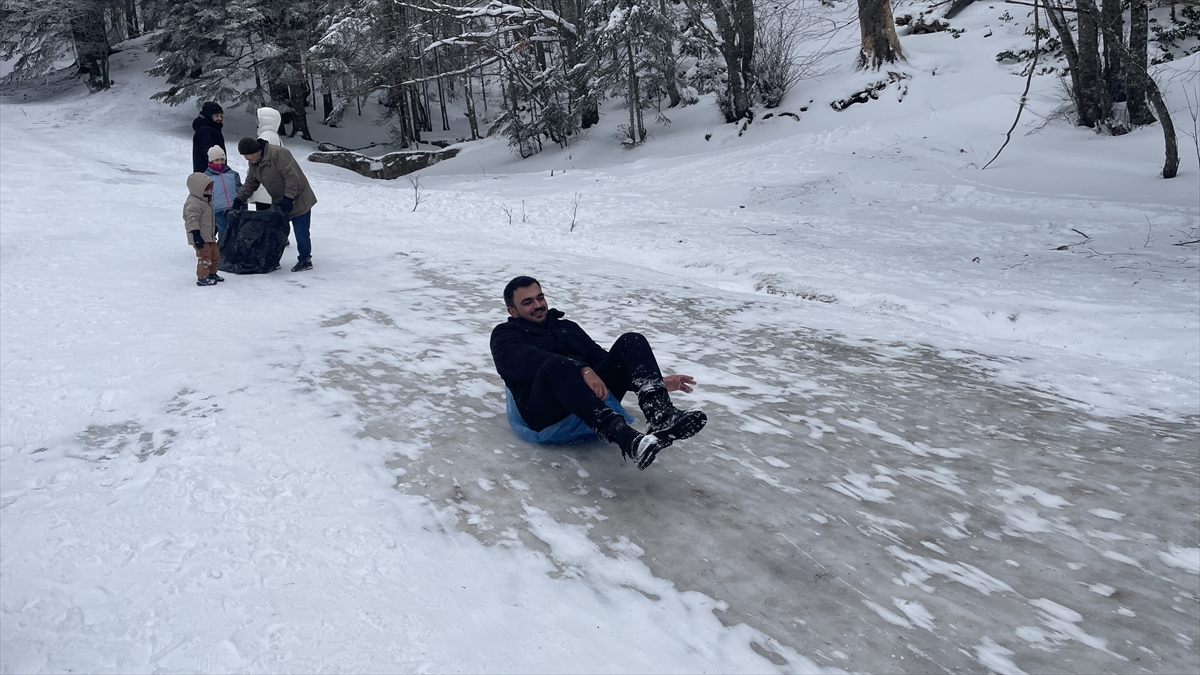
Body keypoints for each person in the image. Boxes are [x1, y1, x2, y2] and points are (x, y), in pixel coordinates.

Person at [490, 276, 707, 470]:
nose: (538, 305)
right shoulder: (505, 335)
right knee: (557, 364)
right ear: (512, 311)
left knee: (631, 341)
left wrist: (653, 382)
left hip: (590, 398)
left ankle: (660, 414)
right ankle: (629, 440)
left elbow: (604, 361)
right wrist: (582, 369)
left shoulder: (566, 327)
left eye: (540, 297)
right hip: (546, 411)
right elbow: (528, 361)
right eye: (527, 302)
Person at [231, 136, 317, 272]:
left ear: (256, 151)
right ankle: (272, 260)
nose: (246, 159)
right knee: (275, 232)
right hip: (280, 201)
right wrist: (239, 199)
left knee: (301, 231)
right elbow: (251, 182)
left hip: (299, 198)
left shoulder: (279, 154)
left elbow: (292, 177)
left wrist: (289, 197)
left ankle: (305, 259)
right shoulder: (254, 162)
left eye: (247, 155)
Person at [183, 173, 224, 287]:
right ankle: (202, 277)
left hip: (209, 236)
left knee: (215, 255)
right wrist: (196, 235)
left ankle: (212, 273)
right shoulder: (193, 203)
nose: (210, 190)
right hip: (200, 237)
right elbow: (191, 220)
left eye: (211, 188)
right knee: (205, 257)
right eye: (206, 188)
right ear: (197, 188)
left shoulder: (206, 200)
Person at [203, 145, 242, 240]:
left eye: (222, 159)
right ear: (211, 161)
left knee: (236, 230)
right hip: (218, 210)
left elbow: (240, 190)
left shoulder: (232, 174)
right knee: (223, 231)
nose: (220, 162)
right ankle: (223, 250)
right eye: (217, 160)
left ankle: (235, 250)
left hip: (233, 209)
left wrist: (243, 204)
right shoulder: (206, 177)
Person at [249, 107, 283, 212]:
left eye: (258, 118)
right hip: (273, 187)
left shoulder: (264, 138)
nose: (256, 120)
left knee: (264, 221)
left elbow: (258, 162)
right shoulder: (275, 136)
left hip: (264, 188)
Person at [191, 102, 225, 174]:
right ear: (209, 116)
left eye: (220, 115)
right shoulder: (205, 131)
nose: (220, 118)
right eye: (216, 116)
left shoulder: (213, 128)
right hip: (209, 174)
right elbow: (212, 154)